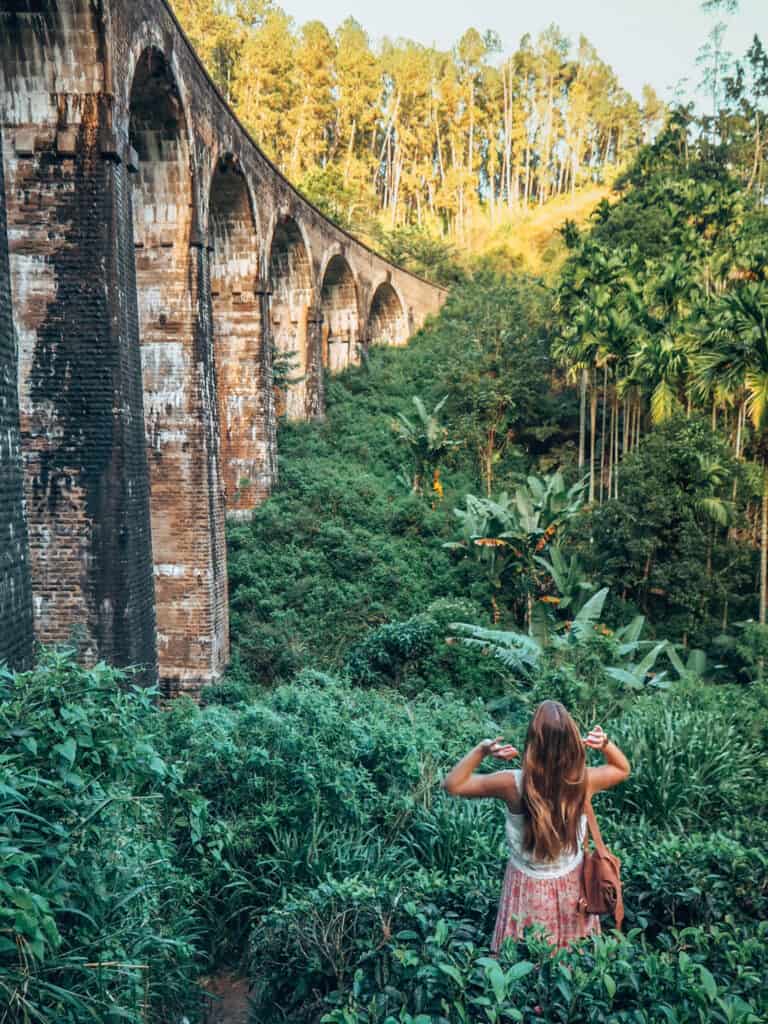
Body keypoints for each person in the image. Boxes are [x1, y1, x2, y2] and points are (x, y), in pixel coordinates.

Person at [442, 700, 630, 949]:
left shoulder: (511, 784)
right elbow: (622, 768)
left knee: (523, 958)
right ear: (572, 742)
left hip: (526, 885)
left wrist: (482, 749)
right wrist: (605, 744)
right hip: (572, 886)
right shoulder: (584, 781)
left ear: (532, 743)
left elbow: (453, 785)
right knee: (571, 963)